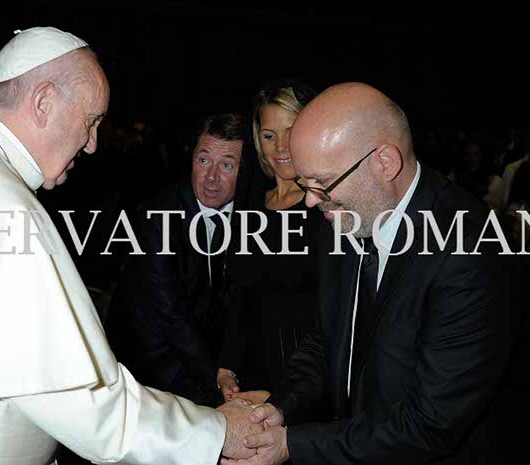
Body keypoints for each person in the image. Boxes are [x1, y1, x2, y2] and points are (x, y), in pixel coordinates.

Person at [0, 27, 260, 465]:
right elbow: (83, 401)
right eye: (91, 121)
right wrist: (216, 431)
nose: (92, 144)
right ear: (43, 103)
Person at [223, 82, 527, 465]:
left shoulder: (473, 250)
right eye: (306, 183)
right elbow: (329, 337)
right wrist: (282, 406)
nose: (312, 200)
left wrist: (292, 444)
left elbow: (429, 423)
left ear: (385, 162)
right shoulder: (345, 216)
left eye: (323, 182)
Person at [106, 112, 249, 406]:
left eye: (227, 165)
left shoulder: (254, 217)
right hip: (151, 364)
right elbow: (171, 315)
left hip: (210, 354)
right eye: (204, 160)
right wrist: (216, 378)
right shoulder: (156, 218)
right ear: (191, 158)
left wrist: (229, 368)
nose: (211, 177)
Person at [217, 79, 322, 414]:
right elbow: (241, 296)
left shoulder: (327, 209)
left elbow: (334, 319)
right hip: (250, 376)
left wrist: (286, 396)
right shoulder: (250, 206)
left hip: (308, 386)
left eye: (292, 131)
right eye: (269, 135)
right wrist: (226, 367)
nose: (281, 147)